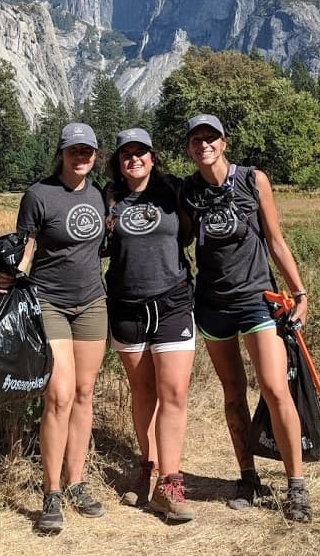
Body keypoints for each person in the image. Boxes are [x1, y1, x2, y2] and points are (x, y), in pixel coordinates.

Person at [180, 113, 314, 522]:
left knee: (275, 389)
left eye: (211, 138)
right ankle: (247, 477)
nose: (204, 145)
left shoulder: (253, 180)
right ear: (189, 148)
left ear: (224, 143)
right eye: (196, 140)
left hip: (258, 301)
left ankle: (296, 486)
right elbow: (178, 239)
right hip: (212, 305)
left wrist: (299, 292)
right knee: (233, 393)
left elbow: (275, 239)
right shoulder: (188, 191)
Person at [0, 122, 109, 534]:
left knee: (83, 394)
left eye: (87, 151)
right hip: (49, 303)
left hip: (92, 303)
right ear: (61, 153)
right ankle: (51, 493)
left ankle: (76, 482)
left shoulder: (101, 196)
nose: (81, 157)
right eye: (73, 151)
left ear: (95, 155)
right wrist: (6, 286)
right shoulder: (38, 195)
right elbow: (24, 250)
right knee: (59, 396)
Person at [103, 128, 195, 522]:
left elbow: (194, 231)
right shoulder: (108, 197)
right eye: (127, 154)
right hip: (126, 307)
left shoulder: (172, 191)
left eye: (141, 152)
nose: (134, 159)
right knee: (142, 393)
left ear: (153, 158)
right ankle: (148, 467)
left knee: (172, 392)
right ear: (118, 162)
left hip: (172, 303)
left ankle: (170, 484)